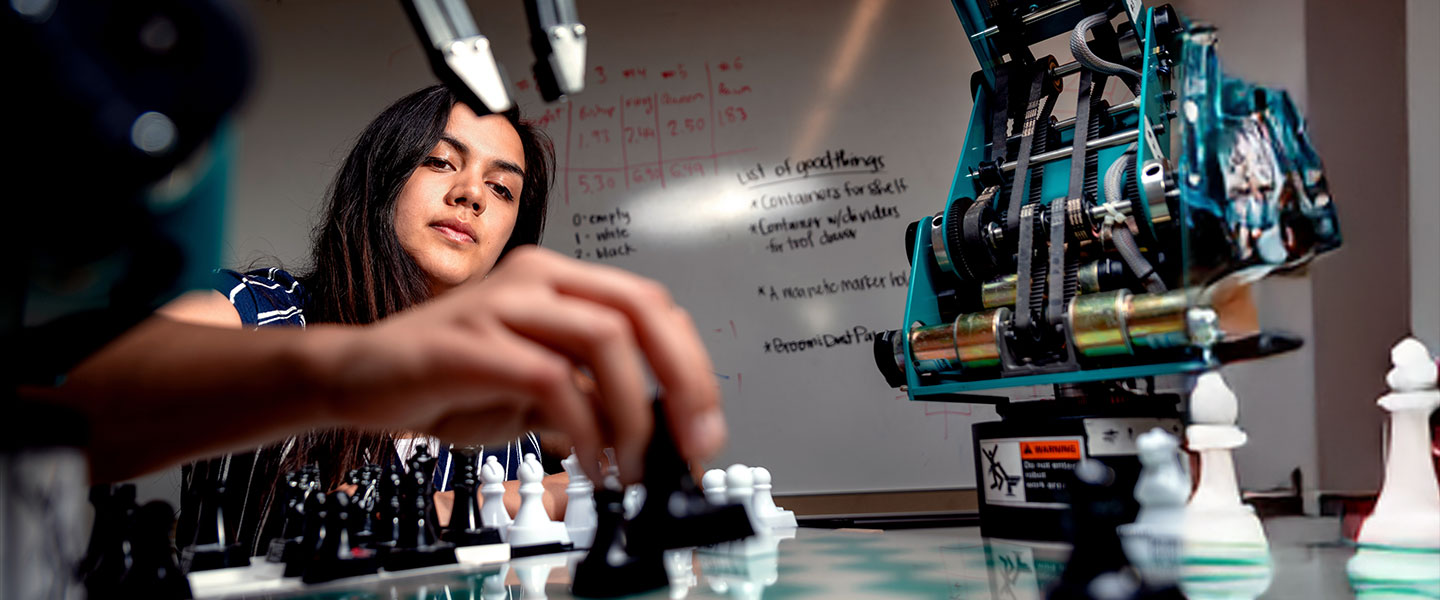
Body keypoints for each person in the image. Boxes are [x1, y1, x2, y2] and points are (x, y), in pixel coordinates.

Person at [56, 85, 726, 553]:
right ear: (381, 180)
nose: (470, 195)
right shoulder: (262, 311)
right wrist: (343, 371)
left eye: (502, 189)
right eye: (440, 161)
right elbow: (64, 399)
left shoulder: (522, 380)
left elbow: (630, 491)